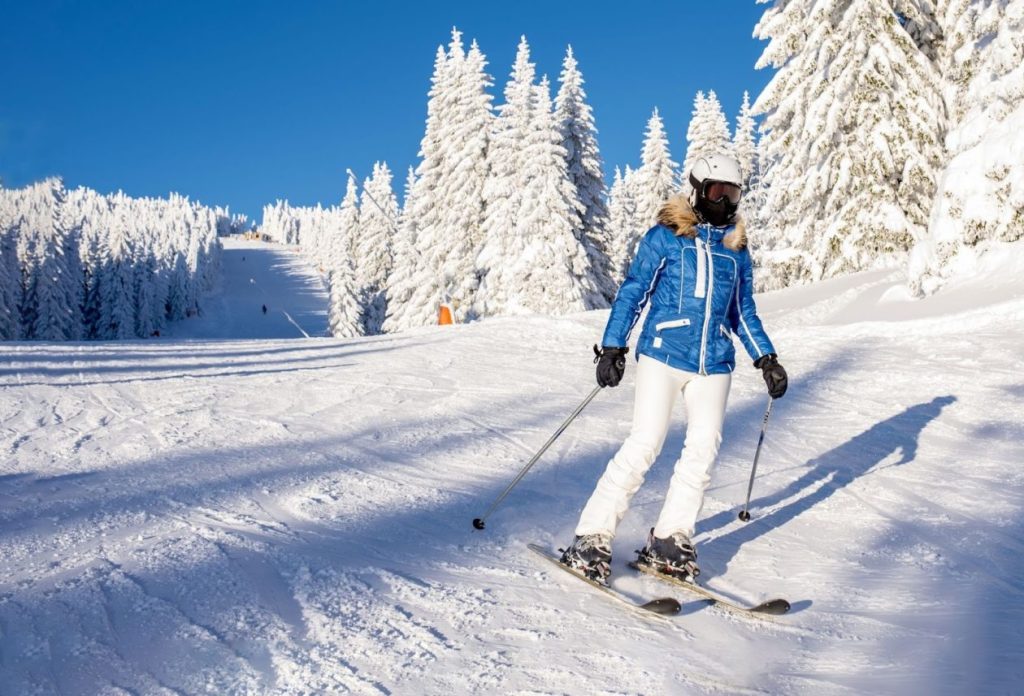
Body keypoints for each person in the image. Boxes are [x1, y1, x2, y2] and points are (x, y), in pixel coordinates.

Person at [560, 153, 788, 585]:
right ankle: (592, 535)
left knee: (703, 449)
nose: (726, 202)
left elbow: (743, 311)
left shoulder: (735, 250)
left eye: (733, 194)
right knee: (646, 441)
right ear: (699, 190)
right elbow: (633, 293)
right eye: (718, 192)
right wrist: (613, 347)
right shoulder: (665, 237)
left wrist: (767, 359)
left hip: (713, 362)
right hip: (663, 353)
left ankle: (670, 538)